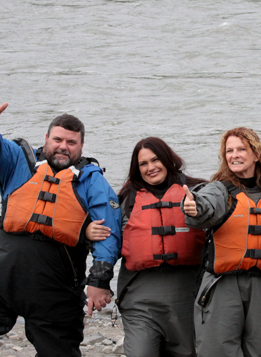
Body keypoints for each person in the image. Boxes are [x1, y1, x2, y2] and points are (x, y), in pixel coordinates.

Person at [0, 103, 122, 357]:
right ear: (46, 139)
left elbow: (108, 233)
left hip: (56, 288)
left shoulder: (92, 181)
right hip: (1, 278)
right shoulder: (18, 162)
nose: (63, 146)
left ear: (81, 146)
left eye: (71, 142)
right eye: (57, 139)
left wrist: (99, 280)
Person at [181, 127, 261, 357]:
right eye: (229, 150)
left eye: (241, 149)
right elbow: (204, 207)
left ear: (256, 154)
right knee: (217, 349)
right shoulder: (219, 190)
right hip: (222, 286)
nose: (234, 155)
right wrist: (194, 208)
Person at [85, 137, 206, 357]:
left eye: (156, 160)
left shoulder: (197, 191)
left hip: (188, 295)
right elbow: (108, 242)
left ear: (168, 159)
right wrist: (86, 233)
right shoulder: (127, 199)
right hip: (140, 298)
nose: (151, 168)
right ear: (137, 169)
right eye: (143, 164)